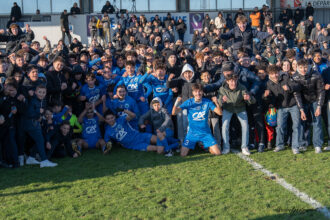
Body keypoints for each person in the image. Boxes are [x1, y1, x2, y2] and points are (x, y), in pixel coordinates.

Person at [172, 83, 222, 157]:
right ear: (193, 93)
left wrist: (216, 102)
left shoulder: (207, 102)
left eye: (200, 91)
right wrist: (176, 102)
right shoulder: (189, 102)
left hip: (205, 133)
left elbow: (220, 113)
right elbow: (174, 113)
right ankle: (198, 146)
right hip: (192, 133)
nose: (198, 93)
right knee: (183, 154)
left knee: (218, 153)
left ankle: (208, 146)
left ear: (202, 92)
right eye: (196, 91)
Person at [263, 65, 302, 154]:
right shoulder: (269, 83)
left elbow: (297, 86)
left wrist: (289, 88)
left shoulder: (286, 77)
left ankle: (295, 146)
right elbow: (270, 99)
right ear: (269, 74)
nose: (275, 75)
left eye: (276, 73)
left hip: (293, 105)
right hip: (281, 107)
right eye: (272, 74)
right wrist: (266, 96)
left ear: (279, 72)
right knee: (279, 127)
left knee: (296, 126)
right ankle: (279, 145)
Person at [17, 84, 58, 167]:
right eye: (39, 92)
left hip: (33, 122)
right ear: (35, 92)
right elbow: (29, 113)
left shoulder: (43, 100)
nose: (41, 94)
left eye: (43, 92)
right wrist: (38, 113)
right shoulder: (32, 100)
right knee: (40, 140)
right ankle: (44, 160)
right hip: (29, 123)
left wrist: (40, 115)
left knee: (40, 140)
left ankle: (31, 158)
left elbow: (41, 111)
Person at [293, 59, 325, 153]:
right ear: (298, 67)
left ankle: (317, 145)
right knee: (302, 122)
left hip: (315, 100)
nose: (303, 70)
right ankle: (302, 143)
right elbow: (296, 94)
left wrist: (319, 106)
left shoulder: (316, 74)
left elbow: (321, 91)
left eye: (305, 67)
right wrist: (301, 109)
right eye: (301, 68)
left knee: (317, 121)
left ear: (309, 67)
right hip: (303, 101)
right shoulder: (295, 77)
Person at [219, 73, 255, 155]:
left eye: (235, 80)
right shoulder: (222, 89)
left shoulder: (242, 87)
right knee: (224, 126)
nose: (234, 83)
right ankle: (226, 147)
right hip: (228, 108)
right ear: (227, 81)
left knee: (245, 125)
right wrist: (222, 100)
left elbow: (252, 101)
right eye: (231, 81)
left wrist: (249, 98)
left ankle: (244, 147)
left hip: (240, 108)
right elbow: (218, 101)